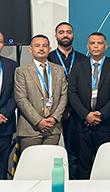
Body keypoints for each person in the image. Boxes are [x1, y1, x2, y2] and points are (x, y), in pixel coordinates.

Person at [68, 32, 110, 179]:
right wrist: (86, 114)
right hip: (81, 123)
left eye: (99, 43)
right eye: (92, 43)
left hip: (106, 123)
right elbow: (71, 93)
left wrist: (101, 114)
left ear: (106, 46)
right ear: (87, 46)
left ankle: (104, 191)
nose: (96, 46)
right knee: (83, 164)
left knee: (105, 163)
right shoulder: (78, 65)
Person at [14, 34, 68, 152]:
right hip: (30, 129)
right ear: (31, 49)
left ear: (49, 49)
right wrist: (38, 121)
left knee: (49, 161)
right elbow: (21, 99)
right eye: (37, 46)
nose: (41, 48)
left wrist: (54, 118)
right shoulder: (21, 71)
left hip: (53, 128)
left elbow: (64, 96)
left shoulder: (59, 70)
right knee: (30, 162)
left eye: (45, 46)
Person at [48, 22, 86, 178]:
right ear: (56, 36)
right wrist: (60, 110)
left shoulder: (83, 59)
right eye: (61, 32)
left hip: (76, 112)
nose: (65, 35)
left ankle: (75, 184)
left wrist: (70, 107)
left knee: (74, 154)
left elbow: (84, 88)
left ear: (73, 35)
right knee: (50, 153)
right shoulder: (48, 58)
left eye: (69, 32)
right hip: (52, 113)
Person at [0, 31, 18, 179]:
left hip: (4, 124)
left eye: (0, 41)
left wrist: (4, 113)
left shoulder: (11, 65)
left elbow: (16, 94)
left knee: (2, 165)